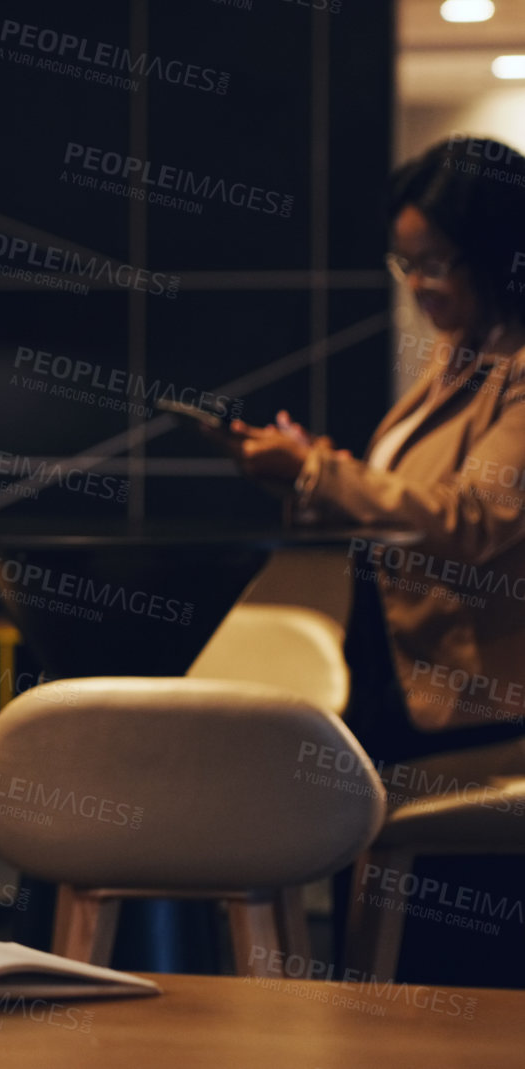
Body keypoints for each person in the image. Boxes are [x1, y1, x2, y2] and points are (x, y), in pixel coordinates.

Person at [228, 136, 525, 987]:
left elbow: (475, 518)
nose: (422, 284)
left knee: (448, 928)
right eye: (408, 262)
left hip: (470, 696)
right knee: (357, 863)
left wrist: (323, 472)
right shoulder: (458, 357)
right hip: (397, 665)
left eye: (439, 262)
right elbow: (407, 501)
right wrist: (314, 472)